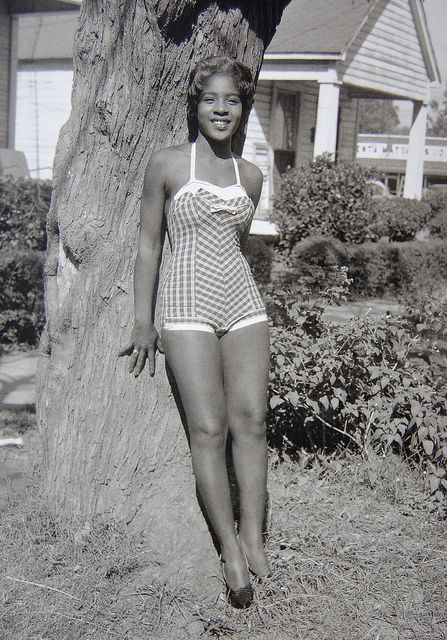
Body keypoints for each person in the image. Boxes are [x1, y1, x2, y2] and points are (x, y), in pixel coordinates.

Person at [119, 55, 271, 608]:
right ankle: (229, 550)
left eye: (232, 100)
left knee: (250, 421)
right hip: (184, 304)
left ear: (243, 107)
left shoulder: (249, 177)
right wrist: (142, 320)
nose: (222, 109)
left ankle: (254, 536)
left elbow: (238, 248)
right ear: (195, 104)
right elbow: (148, 247)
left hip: (243, 303)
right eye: (212, 99)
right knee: (208, 429)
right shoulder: (166, 164)